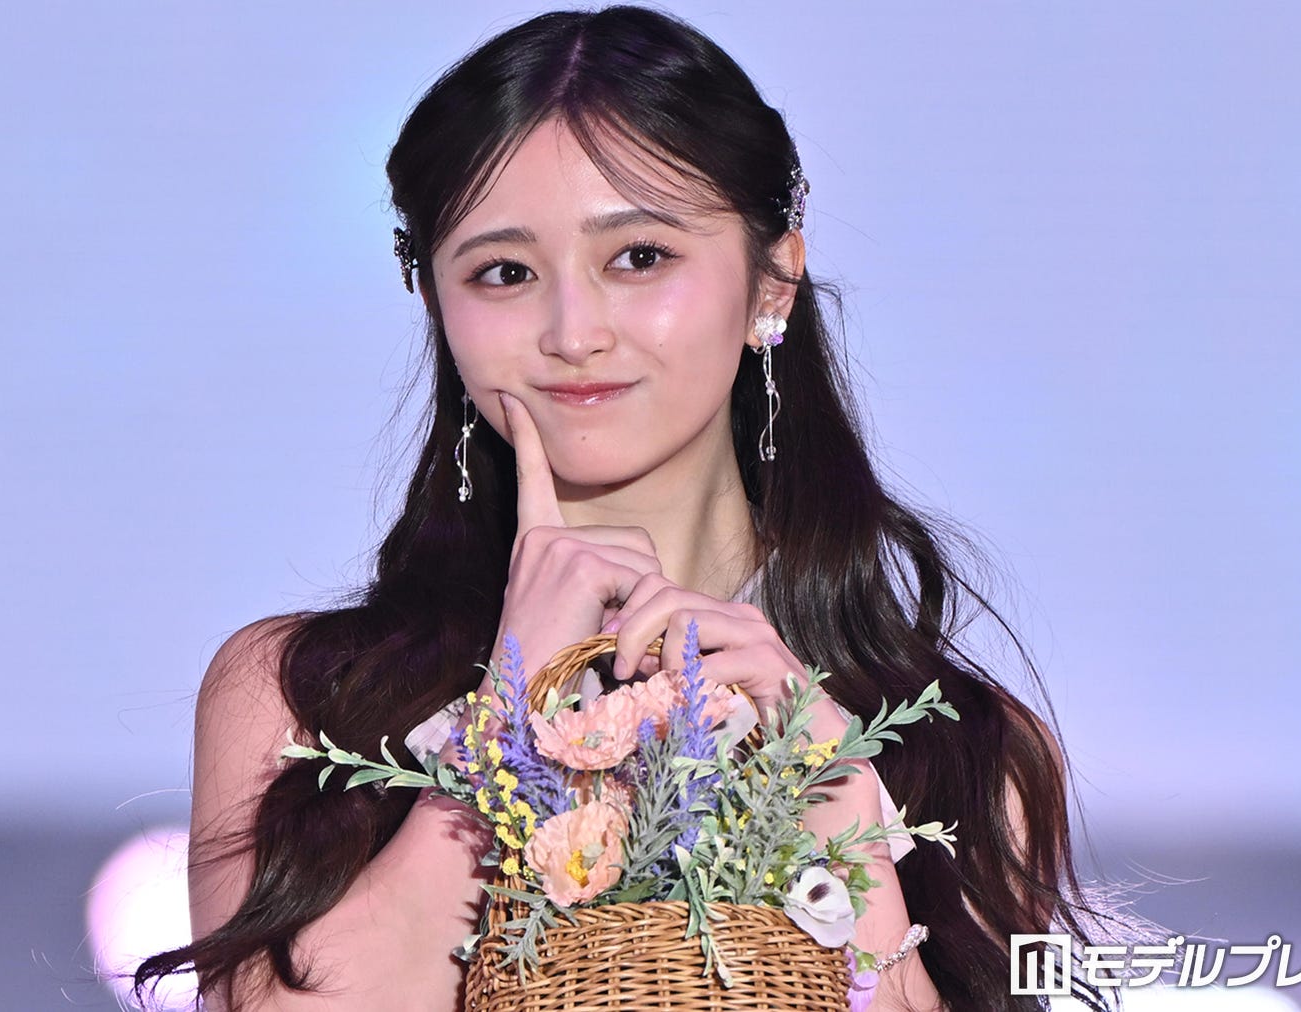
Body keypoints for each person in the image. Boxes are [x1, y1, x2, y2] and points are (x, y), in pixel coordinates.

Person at [136, 7, 1133, 1010]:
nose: (573, 332)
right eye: (504, 273)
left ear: (773, 280)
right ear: (437, 305)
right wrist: (505, 729)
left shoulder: (965, 752)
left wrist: (832, 799)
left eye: (639, 257)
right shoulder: (303, 698)